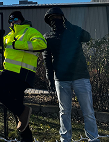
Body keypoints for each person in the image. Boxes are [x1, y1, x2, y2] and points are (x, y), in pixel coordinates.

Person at [0, 11, 47, 142]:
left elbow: (42, 44)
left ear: (21, 19)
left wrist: (19, 45)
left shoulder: (30, 31)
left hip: (23, 72)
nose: (12, 22)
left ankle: (22, 111)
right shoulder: (9, 35)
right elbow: (0, 49)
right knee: (18, 110)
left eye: (14, 19)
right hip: (11, 72)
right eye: (10, 21)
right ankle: (26, 139)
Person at [42, 7, 98, 142]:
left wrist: (70, 26)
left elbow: (87, 37)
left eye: (57, 18)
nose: (54, 21)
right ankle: (65, 139)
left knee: (88, 111)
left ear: (63, 18)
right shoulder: (47, 37)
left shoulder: (73, 32)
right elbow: (47, 59)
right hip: (61, 79)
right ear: (49, 22)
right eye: (51, 19)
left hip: (81, 77)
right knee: (64, 112)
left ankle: (93, 138)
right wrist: (49, 77)